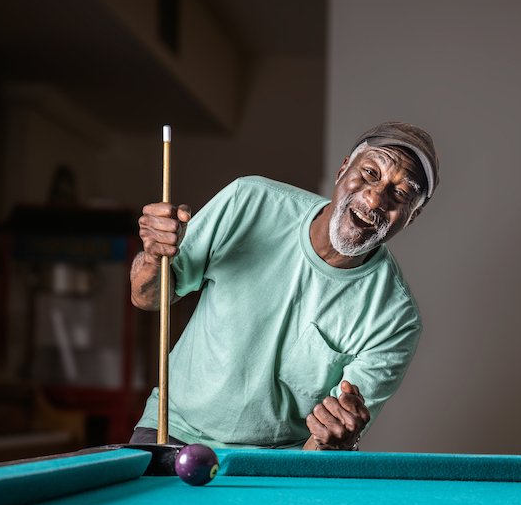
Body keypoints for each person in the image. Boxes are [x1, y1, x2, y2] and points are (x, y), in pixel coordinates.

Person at [129, 121, 438, 451]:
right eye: (370, 174)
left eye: (401, 193)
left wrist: (335, 442)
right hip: (171, 429)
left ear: (412, 216)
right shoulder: (249, 200)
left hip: (277, 463)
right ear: (343, 168)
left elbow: (316, 448)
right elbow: (146, 298)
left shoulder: (396, 319)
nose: (375, 200)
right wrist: (152, 256)